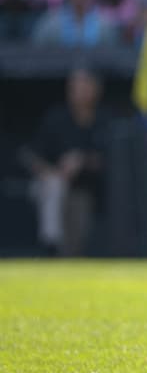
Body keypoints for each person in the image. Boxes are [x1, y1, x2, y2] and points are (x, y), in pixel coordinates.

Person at [20, 67, 109, 256]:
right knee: (54, 186)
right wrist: (51, 172)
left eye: (85, 85)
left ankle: (58, 255)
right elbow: (30, 155)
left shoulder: (103, 120)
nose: (79, 91)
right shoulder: (56, 118)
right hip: (48, 186)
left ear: (96, 89)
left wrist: (81, 160)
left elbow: (109, 158)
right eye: (75, 86)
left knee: (74, 246)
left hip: (84, 191)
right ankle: (50, 243)